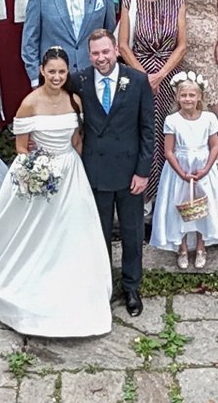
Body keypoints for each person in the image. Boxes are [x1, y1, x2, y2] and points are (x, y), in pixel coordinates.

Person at [0, 48, 112, 338]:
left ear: (67, 71)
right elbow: (22, 148)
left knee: (73, 233)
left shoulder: (74, 101)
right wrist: (39, 170)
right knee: (38, 236)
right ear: (42, 71)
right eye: (52, 71)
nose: (57, 77)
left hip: (71, 174)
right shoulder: (30, 103)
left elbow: (77, 139)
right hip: (41, 173)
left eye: (62, 72)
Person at [74, 25, 156, 317]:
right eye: (95, 53)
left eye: (105, 51)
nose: (101, 58)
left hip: (130, 171)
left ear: (116, 51)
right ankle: (102, 286)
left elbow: (148, 130)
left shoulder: (137, 80)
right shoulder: (80, 80)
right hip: (96, 171)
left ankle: (132, 287)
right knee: (100, 233)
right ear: (89, 55)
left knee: (133, 233)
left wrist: (143, 171)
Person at [150, 71, 218, 269]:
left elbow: (215, 146)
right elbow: (168, 150)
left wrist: (206, 168)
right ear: (177, 97)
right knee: (181, 206)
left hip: (203, 167)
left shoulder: (209, 118)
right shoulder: (172, 120)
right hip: (179, 168)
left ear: (199, 97)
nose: (187, 99)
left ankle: (201, 246)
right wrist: (182, 173)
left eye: (192, 95)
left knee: (203, 207)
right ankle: (182, 247)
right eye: (183, 95)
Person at [118, 0, 183, 174]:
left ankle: (165, 188)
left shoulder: (177, 1)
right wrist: (144, 76)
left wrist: (161, 74)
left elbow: (182, 45)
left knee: (167, 129)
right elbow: (123, 46)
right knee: (144, 129)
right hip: (139, 73)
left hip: (169, 75)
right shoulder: (130, 0)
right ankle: (144, 189)